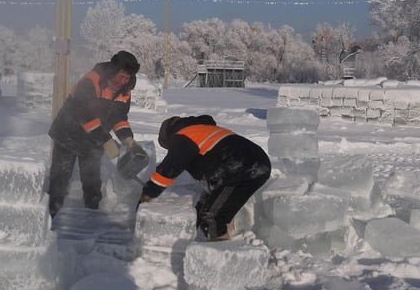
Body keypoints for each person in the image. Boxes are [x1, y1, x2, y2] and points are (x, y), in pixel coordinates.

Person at [139, 115, 271, 241]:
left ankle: (219, 255)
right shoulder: (202, 129)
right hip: (253, 165)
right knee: (207, 207)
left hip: (241, 169)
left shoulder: (185, 135)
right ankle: (208, 240)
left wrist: (148, 193)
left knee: (212, 216)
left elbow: (170, 167)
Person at [48, 50, 141, 218]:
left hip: (93, 136)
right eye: (121, 76)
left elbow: (118, 117)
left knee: (92, 180)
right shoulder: (91, 80)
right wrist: (105, 140)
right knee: (60, 177)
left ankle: (92, 214)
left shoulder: (125, 90)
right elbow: (84, 113)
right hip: (68, 132)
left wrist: (127, 139)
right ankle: (52, 215)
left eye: (128, 78)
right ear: (112, 71)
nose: (123, 81)